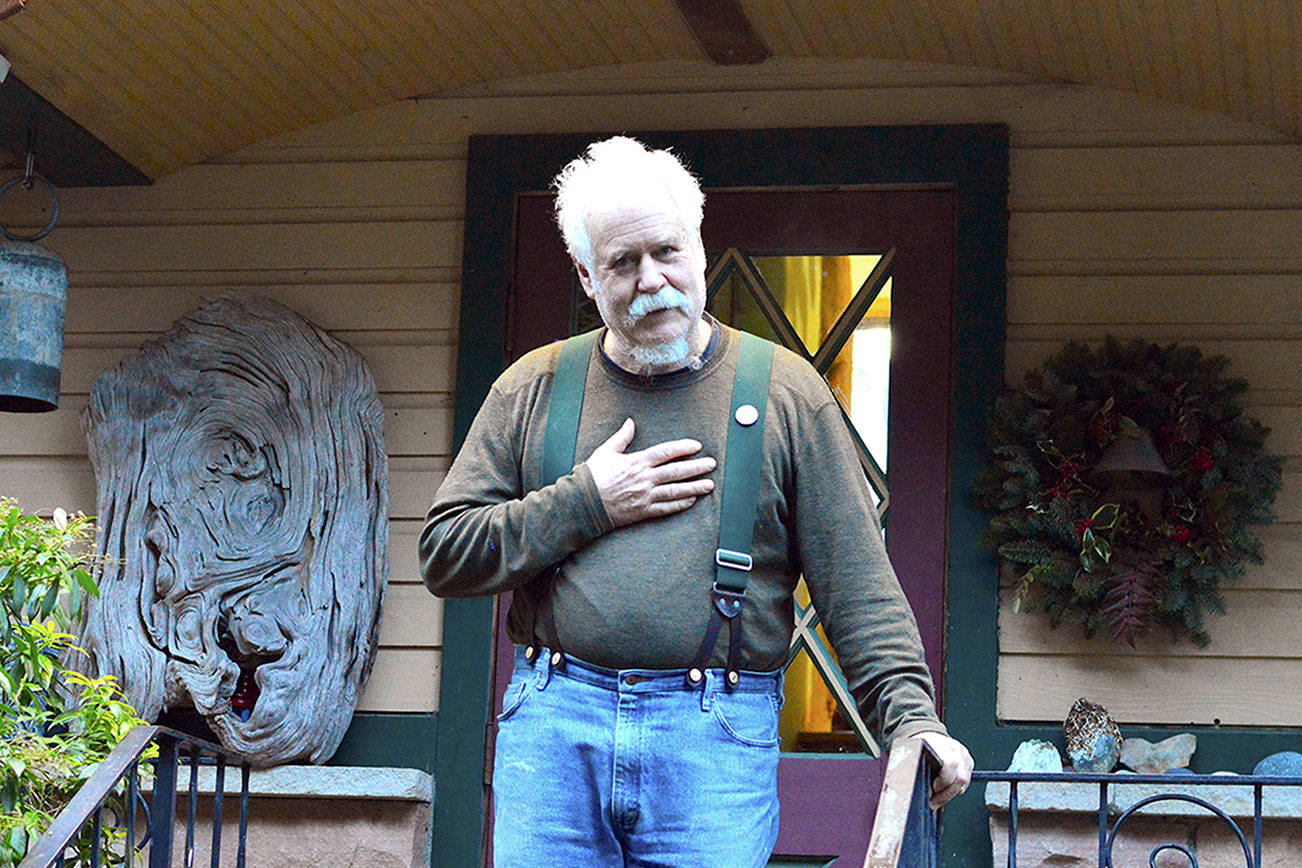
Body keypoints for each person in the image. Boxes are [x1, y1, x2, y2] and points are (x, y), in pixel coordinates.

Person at [420, 136, 973, 867]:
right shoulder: (534, 386)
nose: (652, 280)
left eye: (667, 251)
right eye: (622, 263)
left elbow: (858, 586)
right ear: (587, 277)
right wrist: (585, 501)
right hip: (554, 727)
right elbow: (444, 552)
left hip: (714, 736)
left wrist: (912, 720)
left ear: (699, 244)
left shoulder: (785, 394)